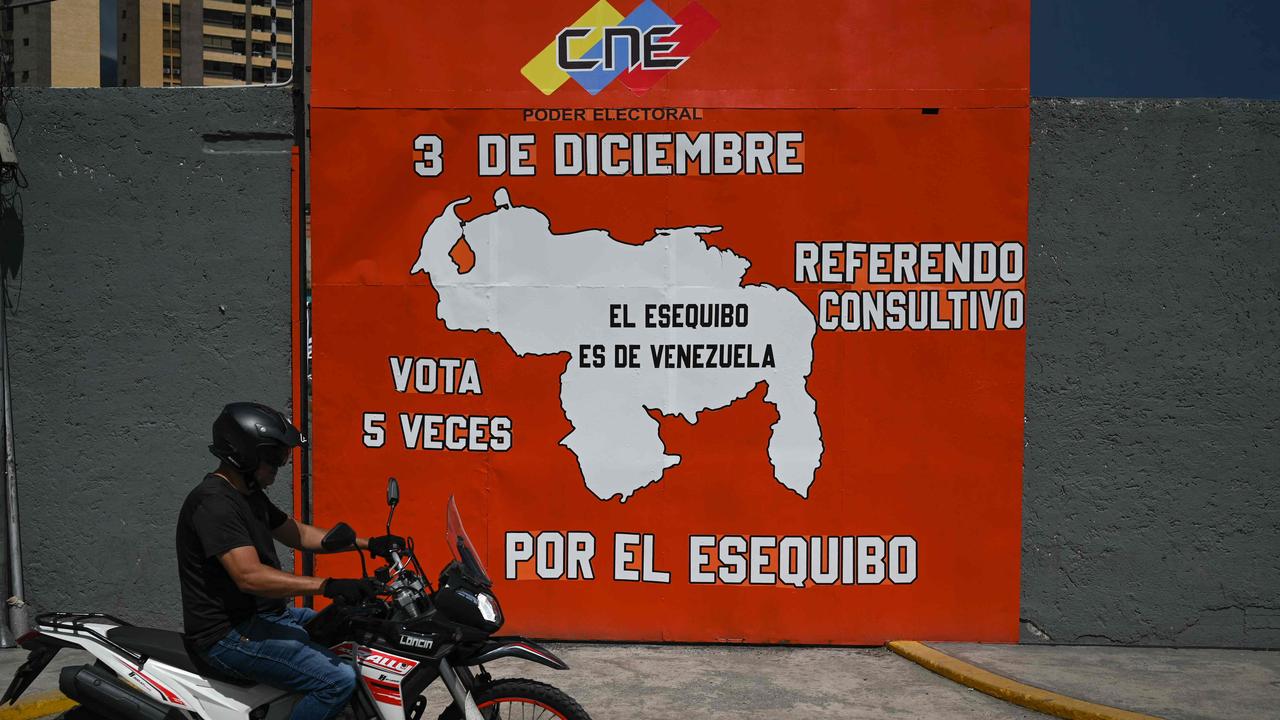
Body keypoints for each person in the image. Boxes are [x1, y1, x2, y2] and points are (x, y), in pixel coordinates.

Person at [176, 402, 401, 720]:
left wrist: (367, 543)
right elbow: (250, 576)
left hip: (265, 616)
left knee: (352, 629)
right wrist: (328, 585)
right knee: (337, 681)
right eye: (273, 459)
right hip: (227, 635)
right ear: (244, 454)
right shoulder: (214, 504)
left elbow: (297, 534)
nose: (278, 468)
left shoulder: (248, 494)